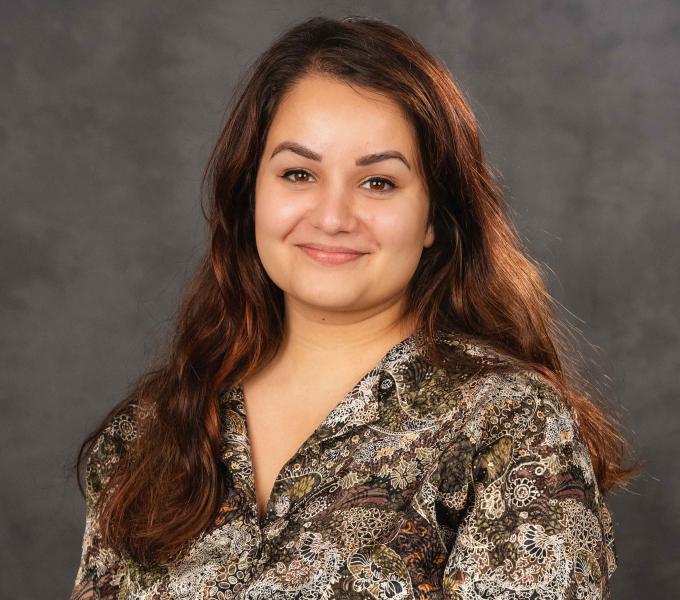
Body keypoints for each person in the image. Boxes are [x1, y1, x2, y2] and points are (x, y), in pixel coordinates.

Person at [69, 15, 638, 600]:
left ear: (433, 219)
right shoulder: (150, 431)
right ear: (250, 197)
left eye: (378, 183)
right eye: (298, 174)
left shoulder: (509, 428)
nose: (334, 216)